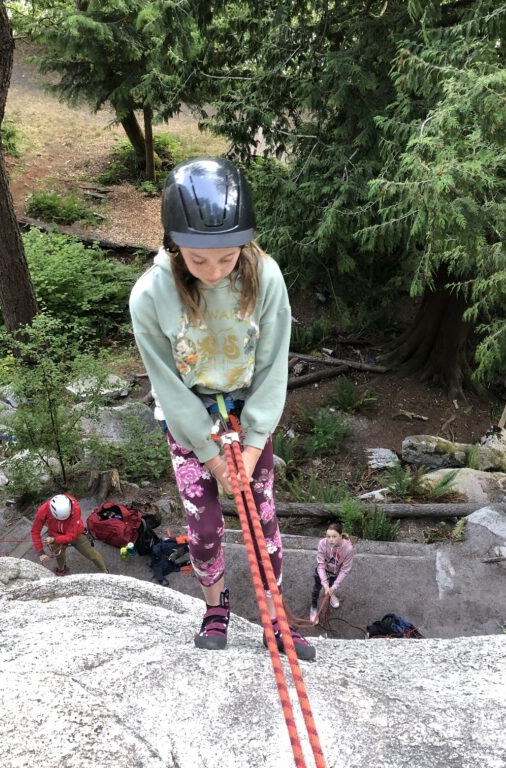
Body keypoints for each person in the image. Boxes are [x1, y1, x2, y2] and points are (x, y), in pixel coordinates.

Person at [129, 157, 314, 661]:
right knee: (205, 523)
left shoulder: (266, 278)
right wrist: (210, 457)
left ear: (245, 246)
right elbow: (166, 384)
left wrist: (252, 445)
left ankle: (276, 614)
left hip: (248, 407)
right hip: (189, 416)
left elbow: (275, 365)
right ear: (173, 246)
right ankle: (216, 605)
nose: (213, 272)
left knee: (262, 515)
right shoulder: (150, 295)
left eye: (227, 259)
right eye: (198, 259)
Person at [31, 493, 108, 575]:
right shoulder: (44, 510)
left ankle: (104, 571)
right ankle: (62, 569)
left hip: (75, 535)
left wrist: (54, 539)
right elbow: (35, 531)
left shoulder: (75, 508)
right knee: (59, 557)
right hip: (56, 535)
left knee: (91, 554)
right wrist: (41, 552)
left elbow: (72, 535)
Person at [310, 523, 355, 622]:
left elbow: (345, 570)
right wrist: (325, 585)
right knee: (316, 589)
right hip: (322, 571)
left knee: (332, 587)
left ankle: (331, 594)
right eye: (328, 536)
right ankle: (313, 607)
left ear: (341, 535)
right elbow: (321, 565)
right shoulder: (322, 543)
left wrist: (333, 587)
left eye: (334, 536)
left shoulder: (348, 549)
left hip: (336, 572)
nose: (330, 540)